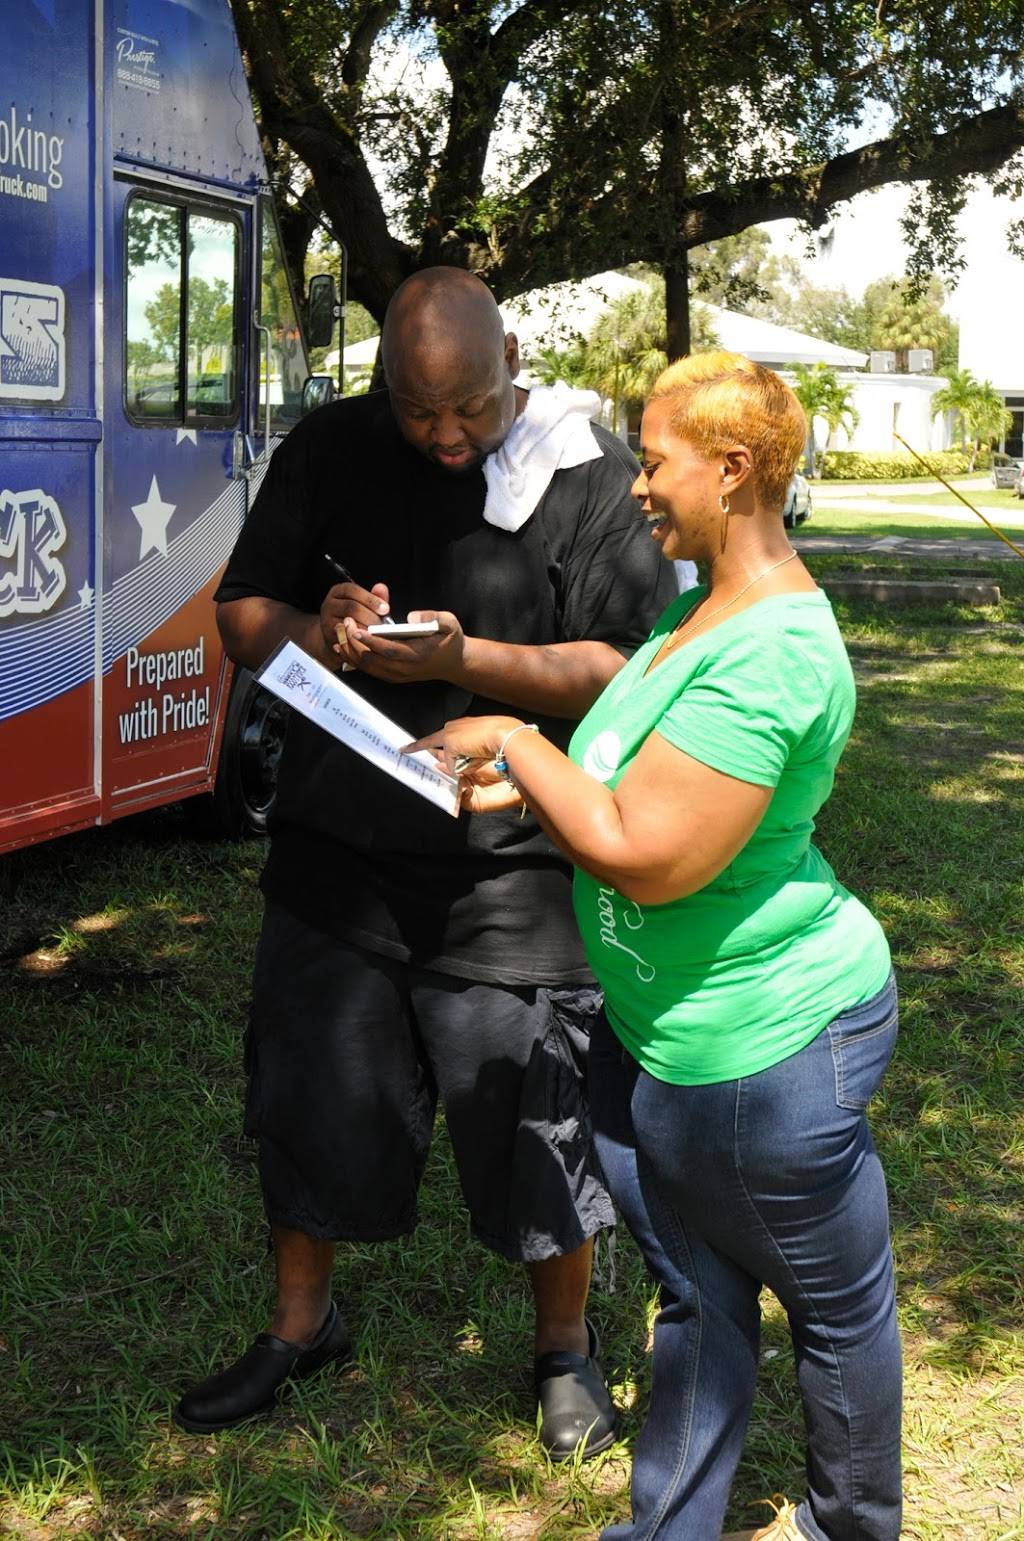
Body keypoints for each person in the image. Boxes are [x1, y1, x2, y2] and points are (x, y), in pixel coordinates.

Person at [173, 267, 676, 1454]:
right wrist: (319, 625)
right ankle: (303, 1323)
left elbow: (623, 664)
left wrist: (470, 656)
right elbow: (240, 611)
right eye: (418, 412)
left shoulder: (586, 468)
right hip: (335, 860)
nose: (446, 438)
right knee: (305, 1095)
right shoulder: (329, 448)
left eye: (471, 410)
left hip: (515, 868)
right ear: (387, 379)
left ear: (511, 360)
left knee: (536, 1113)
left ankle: (563, 1349)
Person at [409, 351, 901, 1540]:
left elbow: (646, 853)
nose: (635, 485)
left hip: (765, 1052)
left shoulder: (773, 651)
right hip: (660, 1037)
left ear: (732, 472)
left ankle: (849, 1525)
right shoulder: (696, 609)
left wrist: (518, 747)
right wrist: (534, 791)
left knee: (833, 1309)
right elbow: (621, 773)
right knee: (694, 1294)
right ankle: (668, 1524)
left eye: (654, 460)